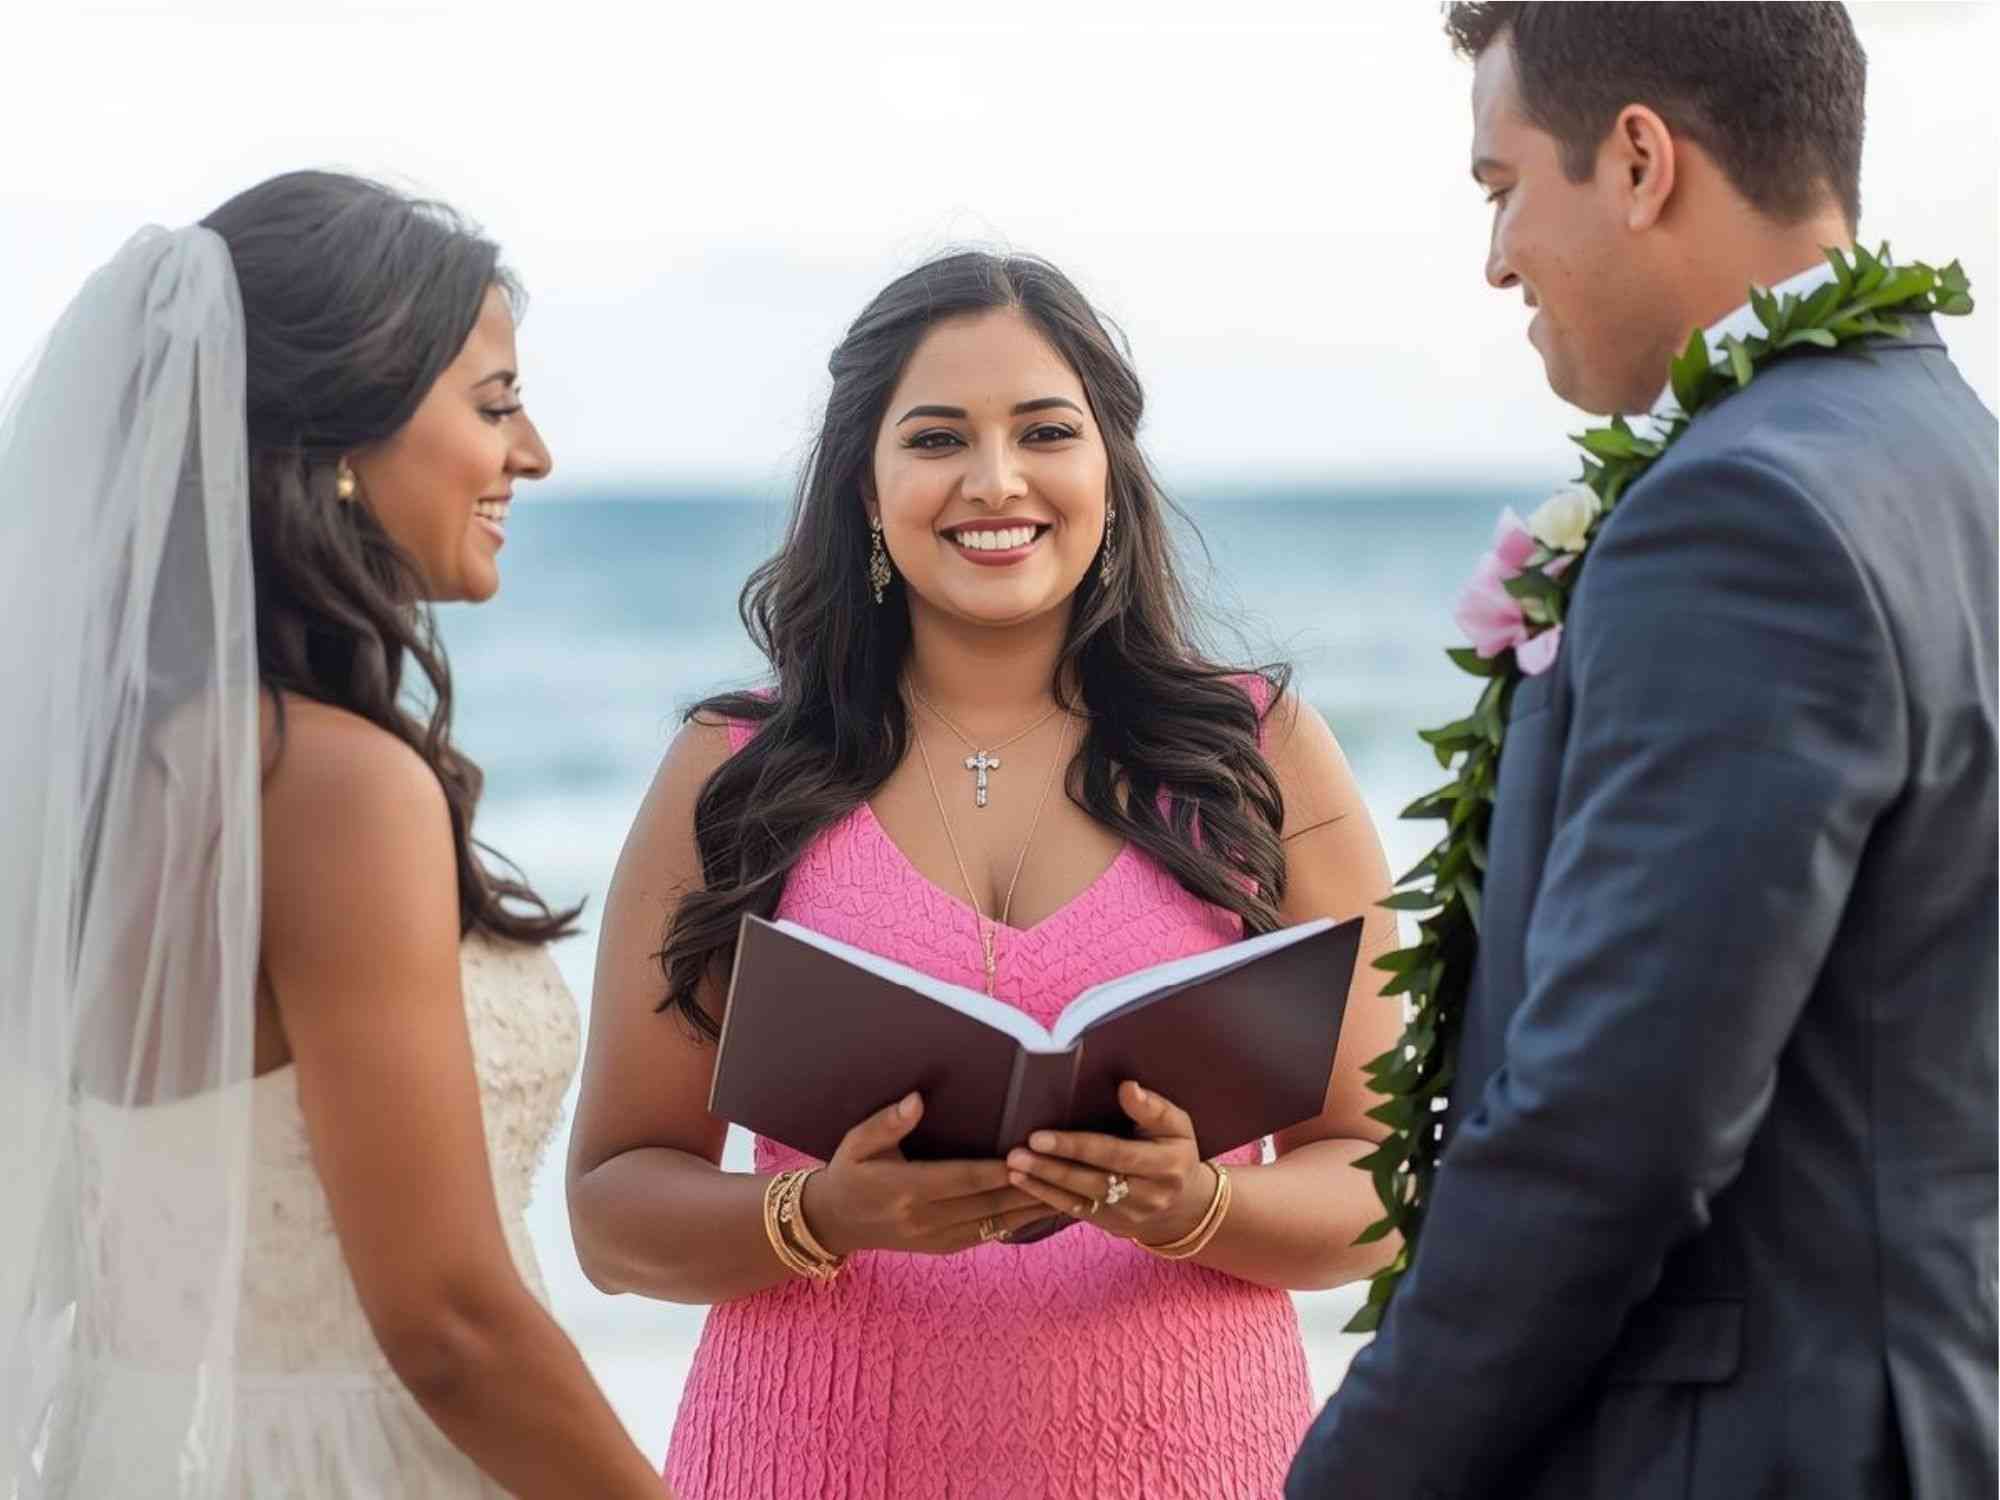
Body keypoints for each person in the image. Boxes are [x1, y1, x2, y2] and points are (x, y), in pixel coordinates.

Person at [1289, 6, 1997, 1498]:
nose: (1495, 260)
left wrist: (1351, 1479)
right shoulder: (1955, 466)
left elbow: (1607, 1130)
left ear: (1637, 161)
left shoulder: (1741, 514)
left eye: (1501, 187)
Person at [568, 249, 1404, 1498]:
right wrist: (820, 1219)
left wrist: (1196, 1211)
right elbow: (611, 1212)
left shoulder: (1260, 756)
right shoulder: (731, 771)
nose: (994, 482)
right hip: (807, 1460)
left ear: (1109, 474)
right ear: (864, 484)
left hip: (1191, 1460)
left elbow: (1381, 1186)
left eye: (1044, 432)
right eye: (937, 438)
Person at [0, 172, 668, 1498]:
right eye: (493, 405)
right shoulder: (331, 786)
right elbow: (449, 1321)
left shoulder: (102, 773)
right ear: (344, 430)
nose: (530, 454)